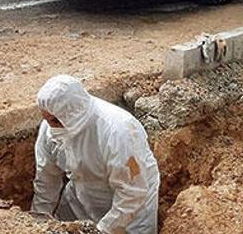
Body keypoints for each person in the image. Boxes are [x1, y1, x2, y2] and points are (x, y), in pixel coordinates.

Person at [32, 75, 159, 233]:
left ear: (69, 116)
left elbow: (133, 192)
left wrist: (102, 230)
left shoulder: (118, 132)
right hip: (79, 203)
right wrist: (37, 222)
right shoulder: (50, 129)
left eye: (54, 121)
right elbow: (46, 180)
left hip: (129, 215)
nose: (50, 126)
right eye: (46, 119)